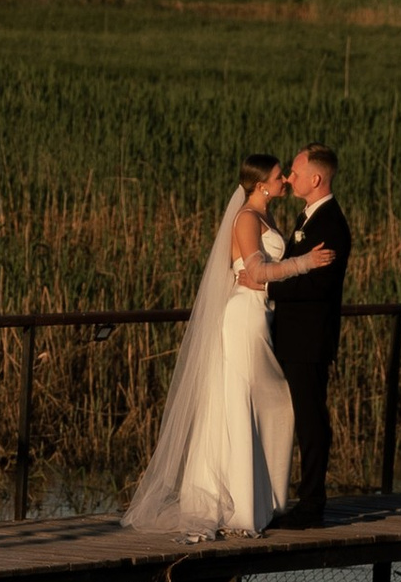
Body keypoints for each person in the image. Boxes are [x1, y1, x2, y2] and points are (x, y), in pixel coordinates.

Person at [122, 158, 316, 538]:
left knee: (265, 402)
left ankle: (261, 498)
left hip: (262, 314)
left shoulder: (269, 218)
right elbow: (257, 272)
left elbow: (259, 272)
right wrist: (305, 264)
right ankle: (244, 503)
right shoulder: (246, 218)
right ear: (261, 184)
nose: (285, 181)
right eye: (279, 177)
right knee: (252, 400)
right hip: (245, 316)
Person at [239, 146, 352, 527]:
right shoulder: (308, 217)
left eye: (296, 171)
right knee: (298, 414)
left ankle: (312, 503)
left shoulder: (331, 224)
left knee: (310, 418)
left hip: (309, 338)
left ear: (316, 179)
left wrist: (266, 289)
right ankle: (280, 495)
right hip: (291, 335)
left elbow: (318, 286)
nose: (289, 177)